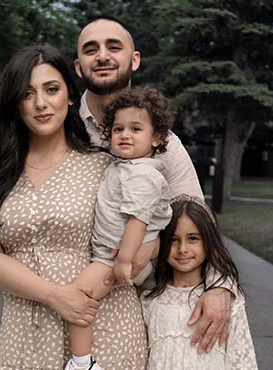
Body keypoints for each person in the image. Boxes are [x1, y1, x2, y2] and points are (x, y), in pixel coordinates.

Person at [0, 45, 147, 370]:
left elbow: (135, 242)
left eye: (51, 89)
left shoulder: (107, 167)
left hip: (104, 328)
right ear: (14, 104)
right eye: (27, 94)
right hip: (27, 332)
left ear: (69, 95)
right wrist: (55, 295)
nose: (41, 103)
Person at [74, 15, 235, 353]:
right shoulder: (61, 128)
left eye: (113, 47)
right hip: (70, 291)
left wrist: (220, 287)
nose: (102, 56)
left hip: (139, 302)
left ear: (134, 60)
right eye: (91, 49)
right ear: (79, 66)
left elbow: (197, 215)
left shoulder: (165, 145)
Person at [65, 87, 173, 370]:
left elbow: (138, 219)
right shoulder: (124, 166)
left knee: (78, 297)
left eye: (136, 128)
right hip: (115, 253)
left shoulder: (143, 174)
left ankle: (82, 363)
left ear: (157, 138)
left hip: (117, 257)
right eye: (118, 129)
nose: (125, 135)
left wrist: (124, 261)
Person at [140, 196, 258, 370]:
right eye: (173, 239)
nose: (183, 249)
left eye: (193, 238)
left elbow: (242, 361)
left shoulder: (228, 303)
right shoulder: (149, 300)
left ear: (208, 241)